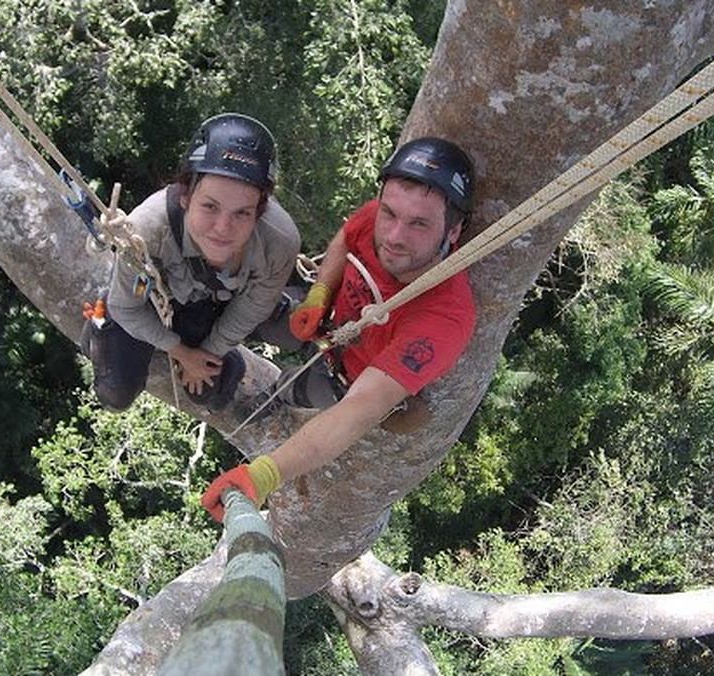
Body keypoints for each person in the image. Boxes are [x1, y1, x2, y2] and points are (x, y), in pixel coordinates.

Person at [201, 137, 477, 520]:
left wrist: (265, 475)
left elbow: (361, 408)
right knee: (246, 306)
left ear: (453, 231)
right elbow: (347, 238)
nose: (395, 237)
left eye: (419, 224)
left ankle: (283, 394)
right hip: (326, 322)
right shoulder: (379, 218)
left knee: (289, 395)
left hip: (345, 376)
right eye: (390, 215)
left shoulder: (445, 315)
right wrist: (319, 293)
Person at [82, 113, 300, 412]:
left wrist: (210, 352)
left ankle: (219, 353)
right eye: (210, 206)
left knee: (210, 392)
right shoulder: (147, 230)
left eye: (242, 213)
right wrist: (181, 352)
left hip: (205, 304)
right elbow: (126, 307)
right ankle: (102, 328)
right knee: (115, 393)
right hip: (153, 299)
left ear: (259, 211)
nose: (223, 228)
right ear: (185, 195)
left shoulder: (278, 242)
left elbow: (253, 308)